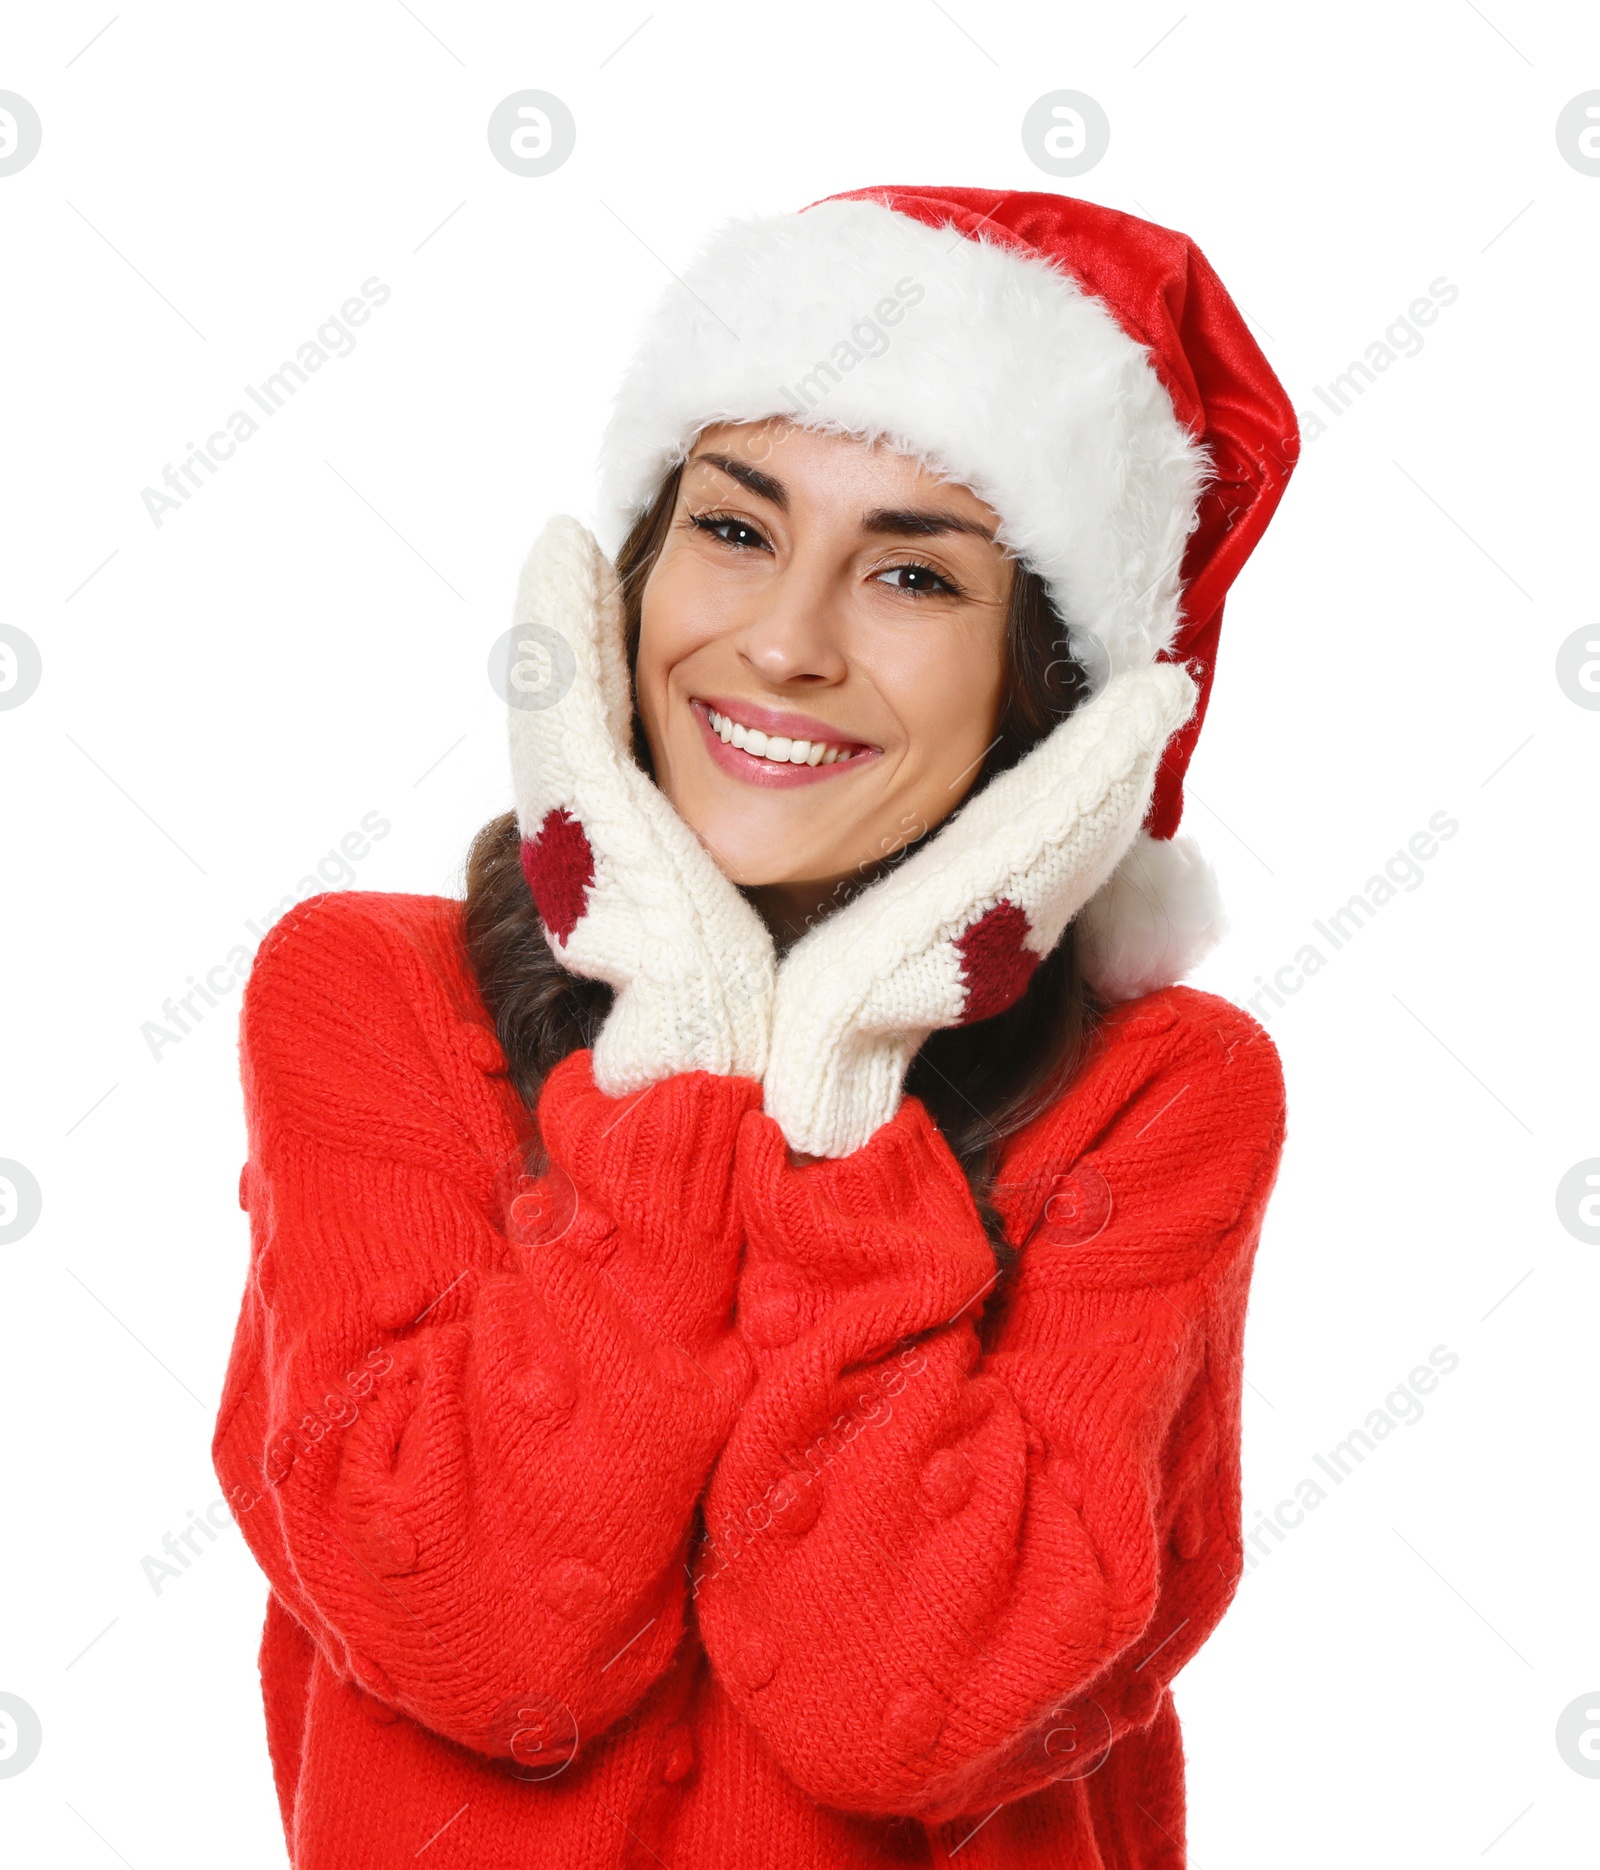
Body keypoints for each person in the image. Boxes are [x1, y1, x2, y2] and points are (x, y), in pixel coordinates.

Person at [213, 185, 1299, 1868]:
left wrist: (844, 1064)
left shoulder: (1166, 1099)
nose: (782, 644)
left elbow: (906, 1713)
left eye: (915, 575)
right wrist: (686, 1047)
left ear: (1059, 700)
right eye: (734, 529)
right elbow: (484, 1643)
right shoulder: (367, 998)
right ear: (623, 583)